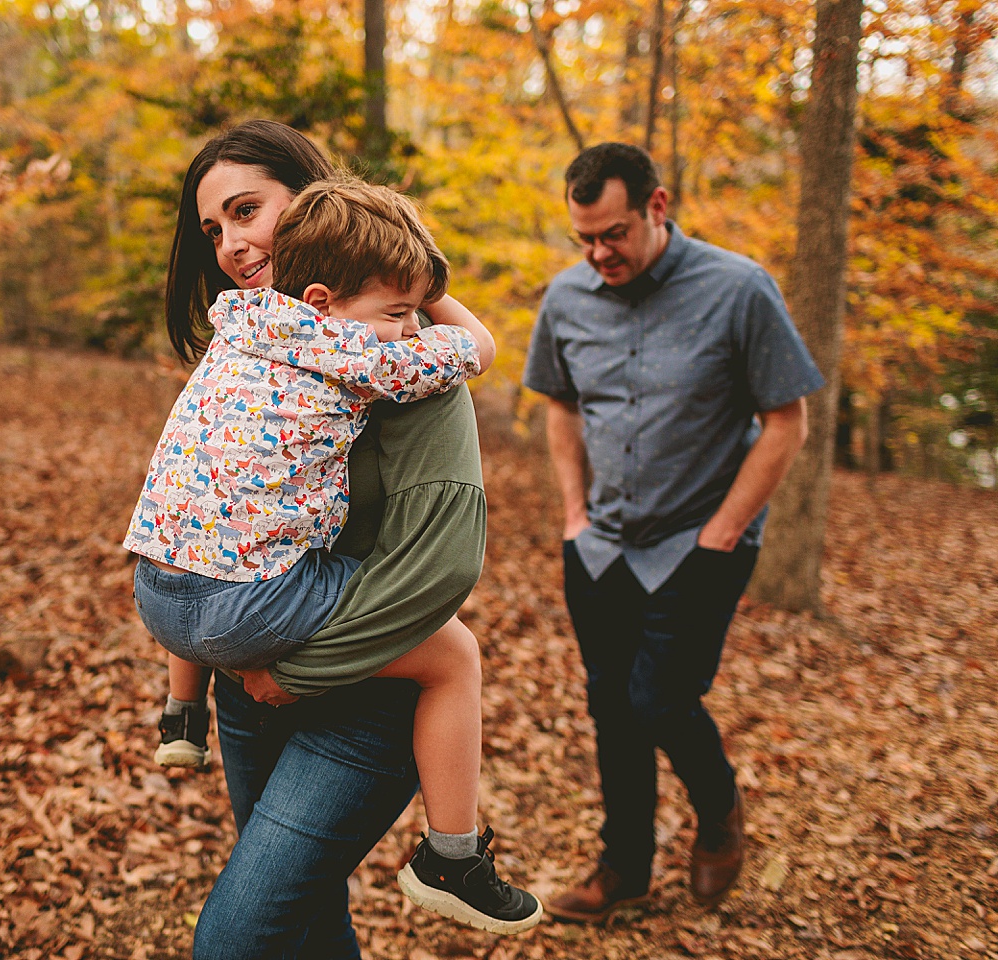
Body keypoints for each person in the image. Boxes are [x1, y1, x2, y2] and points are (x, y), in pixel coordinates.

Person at [144, 119, 535, 958]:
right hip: (249, 666)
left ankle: (450, 855)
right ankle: (453, 856)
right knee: (307, 920)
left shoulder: (281, 335)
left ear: (313, 200)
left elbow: (440, 570)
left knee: (239, 937)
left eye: (248, 211)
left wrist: (286, 668)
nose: (233, 245)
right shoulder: (263, 334)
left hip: (332, 684)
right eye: (214, 230)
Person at [522, 142, 826, 922]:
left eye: (613, 234)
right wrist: (572, 513)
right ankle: (622, 868)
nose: (598, 254)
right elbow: (560, 403)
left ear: (657, 207)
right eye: (583, 238)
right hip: (599, 544)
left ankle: (719, 810)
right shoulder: (566, 298)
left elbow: (787, 421)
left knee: (659, 697)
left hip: (699, 541)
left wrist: (724, 532)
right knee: (611, 708)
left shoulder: (739, 290)